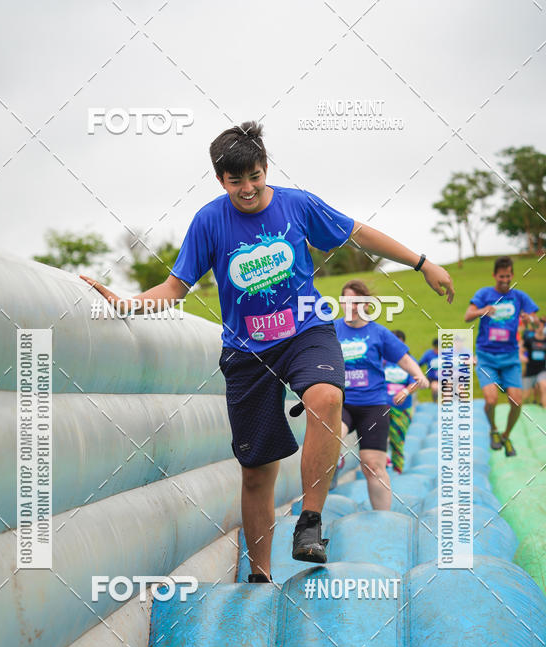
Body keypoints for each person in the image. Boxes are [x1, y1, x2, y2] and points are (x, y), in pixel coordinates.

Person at [81, 121, 453, 581]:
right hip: (247, 350)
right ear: (221, 180)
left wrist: (422, 262)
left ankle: (310, 523)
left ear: (265, 168)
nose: (248, 189)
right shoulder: (208, 221)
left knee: (327, 397)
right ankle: (260, 576)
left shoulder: (298, 206)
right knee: (257, 472)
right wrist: (127, 303)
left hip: (306, 332)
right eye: (235, 181)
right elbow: (176, 286)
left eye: (254, 176)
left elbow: (359, 233)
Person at [334, 281, 428, 509]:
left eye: (356, 302)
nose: (351, 306)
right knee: (334, 433)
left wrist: (418, 375)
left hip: (373, 405)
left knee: (372, 466)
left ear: (366, 304)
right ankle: (334, 458)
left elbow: (403, 358)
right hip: (342, 402)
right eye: (347, 301)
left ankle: (383, 519)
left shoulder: (378, 332)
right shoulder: (332, 329)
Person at [464, 256, 539, 457]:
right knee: (491, 399)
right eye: (501, 276)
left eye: (508, 276)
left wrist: (528, 318)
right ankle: (493, 430)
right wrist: (483, 310)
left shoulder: (520, 297)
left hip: (510, 358)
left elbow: (535, 321)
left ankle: (506, 436)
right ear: (494, 275)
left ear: (512, 275)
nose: (505, 279)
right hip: (487, 356)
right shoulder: (484, 294)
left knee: (516, 402)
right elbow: (467, 316)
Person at [384, 329, 417, 473]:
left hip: (402, 408)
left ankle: (398, 469)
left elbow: (416, 381)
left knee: (397, 439)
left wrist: (406, 391)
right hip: (381, 407)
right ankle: (382, 465)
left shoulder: (410, 362)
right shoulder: (380, 360)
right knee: (378, 438)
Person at [521, 316, 546, 407]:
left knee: (543, 387)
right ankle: (520, 413)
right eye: (539, 326)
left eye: (543, 326)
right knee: (525, 396)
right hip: (530, 370)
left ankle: (542, 411)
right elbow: (521, 350)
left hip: (542, 369)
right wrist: (522, 357)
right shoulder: (530, 339)